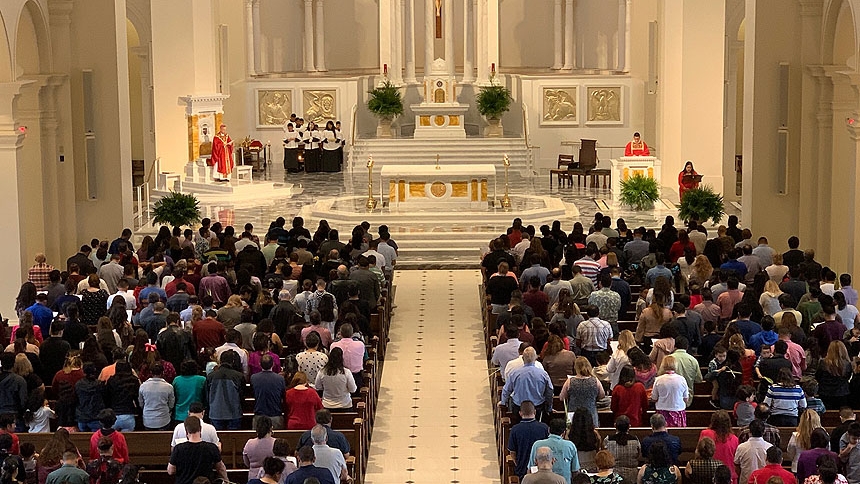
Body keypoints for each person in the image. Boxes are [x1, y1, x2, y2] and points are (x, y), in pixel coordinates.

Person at [168, 416, 227, 484]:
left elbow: (170, 471)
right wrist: (226, 480)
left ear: (186, 431)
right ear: (200, 429)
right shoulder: (212, 448)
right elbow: (221, 468)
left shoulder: (178, 449)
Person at [508, 401, 550, 480]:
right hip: (541, 469)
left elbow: (512, 452)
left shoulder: (515, 429)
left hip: (522, 469)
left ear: (520, 413)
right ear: (534, 412)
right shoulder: (544, 428)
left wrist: (518, 464)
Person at [560, 357, 604, 427]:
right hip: (591, 413)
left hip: (573, 414)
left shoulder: (569, 381)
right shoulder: (595, 380)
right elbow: (602, 395)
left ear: (576, 367)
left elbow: (562, 397)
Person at [698, 411, 739, 483]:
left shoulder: (705, 433)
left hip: (709, 474)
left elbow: (699, 452)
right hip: (729, 476)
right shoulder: (735, 439)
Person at [651, 356, 690, 427]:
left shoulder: (658, 380)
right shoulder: (682, 379)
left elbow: (654, 398)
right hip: (678, 410)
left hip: (662, 412)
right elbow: (686, 399)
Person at [603, 415, 641, 484]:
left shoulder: (608, 440)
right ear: (629, 427)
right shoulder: (635, 440)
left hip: (614, 475)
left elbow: (605, 456)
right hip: (632, 475)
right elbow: (639, 455)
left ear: (615, 426)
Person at [734, 419, 773, 484]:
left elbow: (737, 467)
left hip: (746, 480)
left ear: (750, 432)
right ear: (764, 432)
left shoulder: (741, 447)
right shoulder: (769, 447)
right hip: (764, 481)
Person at [816, 341, 852, 410]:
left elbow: (818, 376)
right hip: (842, 393)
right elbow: (848, 377)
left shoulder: (823, 362)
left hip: (825, 393)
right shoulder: (847, 364)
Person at [138, 363, 175, 430]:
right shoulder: (169, 387)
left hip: (148, 420)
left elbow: (141, 404)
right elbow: (171, 404)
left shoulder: (143, 386)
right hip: (164, 420)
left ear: (151, 372)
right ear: (163, 372)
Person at [788, 410, 825, 474]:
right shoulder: (823, 435)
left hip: (798, 467)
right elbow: (827, 450)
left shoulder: (795, 436)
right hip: (818, 467)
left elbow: (791, 453)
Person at [242, 416, 276, 481]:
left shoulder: (250, 443)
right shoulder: (276, 443)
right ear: (271, 428)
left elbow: (246, 462)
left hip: (253, 478)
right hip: (270, 478)